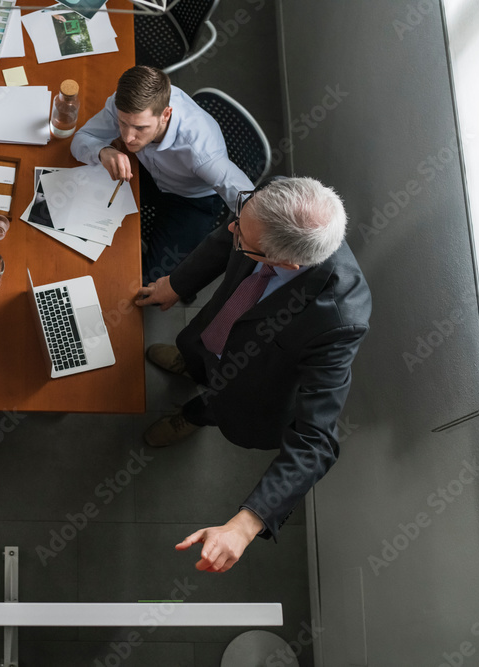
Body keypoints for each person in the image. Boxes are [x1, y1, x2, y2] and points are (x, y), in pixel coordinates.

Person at [134, 177, 371, 573]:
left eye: (244, 238)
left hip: (251, 386)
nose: (232, 230)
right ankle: (191, 364)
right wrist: (176, 284)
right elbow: (221, 239)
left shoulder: (339, 319)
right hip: (214, 334)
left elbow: (316, 440)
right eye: (241, 221)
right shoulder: (272, 204)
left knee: (220, 399)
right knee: (197, 354)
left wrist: (245, 525)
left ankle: (193, 414)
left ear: (287, 263)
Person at [70, 66, 254, 283]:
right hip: (148, 172)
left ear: (166, 114)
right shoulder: (123, 104)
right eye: (122, 124)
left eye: (140, 128)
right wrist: (103, 151)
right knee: (78, 200)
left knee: (151, 282)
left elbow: (251, 203)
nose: (128, 138)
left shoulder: (202, 153)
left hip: (192, 201)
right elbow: (80, 140)